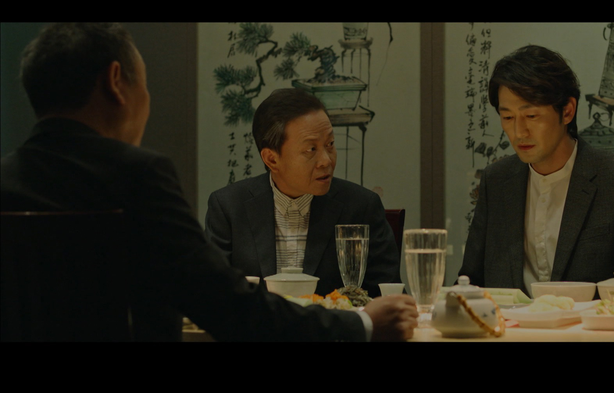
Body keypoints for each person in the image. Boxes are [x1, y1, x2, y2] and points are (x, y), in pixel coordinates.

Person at [0, 22, 418, 341]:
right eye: (144, 83)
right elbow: (223, 304)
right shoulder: (139, 175)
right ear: (115, 82)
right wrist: (360, 325)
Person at [457, 45, 614, 302]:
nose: (519, 132)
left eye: (531, 115)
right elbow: (470, 282)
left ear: (567, 111)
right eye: (508, 118)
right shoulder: (497, 181)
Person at [204, 88, 402, 298]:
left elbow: (389, 297)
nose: (326, 160)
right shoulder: (229, 208)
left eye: (330, 144)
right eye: (310, 150)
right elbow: (211, 294)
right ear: (272, 159)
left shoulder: (361, 207)